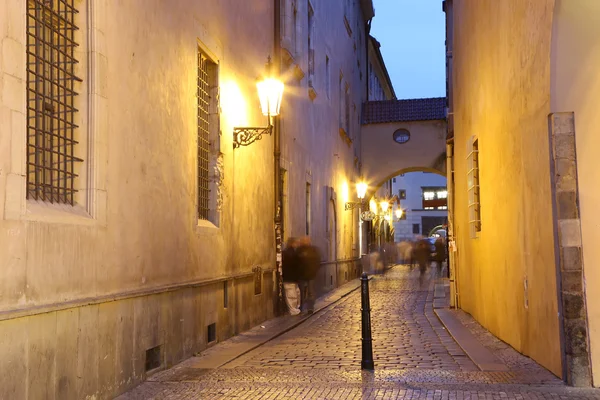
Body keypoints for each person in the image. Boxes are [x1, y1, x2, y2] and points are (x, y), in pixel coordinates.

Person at [296, 236, 321, 314]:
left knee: (310, 292)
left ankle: (310, 307)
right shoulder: (298, 250)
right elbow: (295, 262)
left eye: (306, 240)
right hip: (301, 275)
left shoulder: (313, 250)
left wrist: (314, 270)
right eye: (303, 240)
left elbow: (318, 261)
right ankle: (301, 307)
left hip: (311, 274)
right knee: (301, 292)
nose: (305, 242)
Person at [282, 237, 301, 315]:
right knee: (292, 295)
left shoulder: (289, 252)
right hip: (290, 277)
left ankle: (295, 309)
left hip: (291, 277)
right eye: (296, 243)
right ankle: (293, 310)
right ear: (292, 243)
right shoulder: (291, 253)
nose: (297, 244)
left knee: (295, 294)